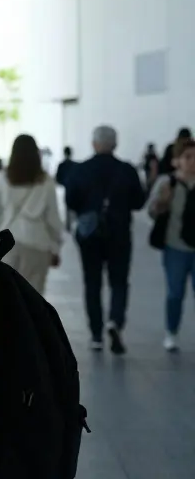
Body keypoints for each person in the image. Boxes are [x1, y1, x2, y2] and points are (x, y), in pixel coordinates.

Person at [64, 125, 147, 354]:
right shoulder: (127, 170)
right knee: (119, 281)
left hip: (90, 235)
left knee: (92, 282)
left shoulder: (81, 170)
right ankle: (115, 321)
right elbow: (139, 202)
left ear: (94, 144)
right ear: (115, 144)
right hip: (119, 233)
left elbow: (71, 200)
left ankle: (96, 335)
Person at [0, 134, 64, 294]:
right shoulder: (45, 182)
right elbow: (53, 219)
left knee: (6, 298)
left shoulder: (1, 178)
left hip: (6, 244)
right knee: (34, 298)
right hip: (37, 243)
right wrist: (55, 247)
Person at [146, 137, 195, 352]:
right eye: (188, 157)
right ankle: (171, 332)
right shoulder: (167, 183)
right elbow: (151, 211)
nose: (192, 161)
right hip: (175, 247)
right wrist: (162, 203)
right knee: (175, 293)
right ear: (176, 161)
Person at [55, 146, 78, 233]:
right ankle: (73, 224)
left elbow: (58, 178)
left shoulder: (62, 165)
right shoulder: (75, 165)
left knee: (67, 207)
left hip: (66, 188)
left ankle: (68, 226)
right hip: (75, 188)